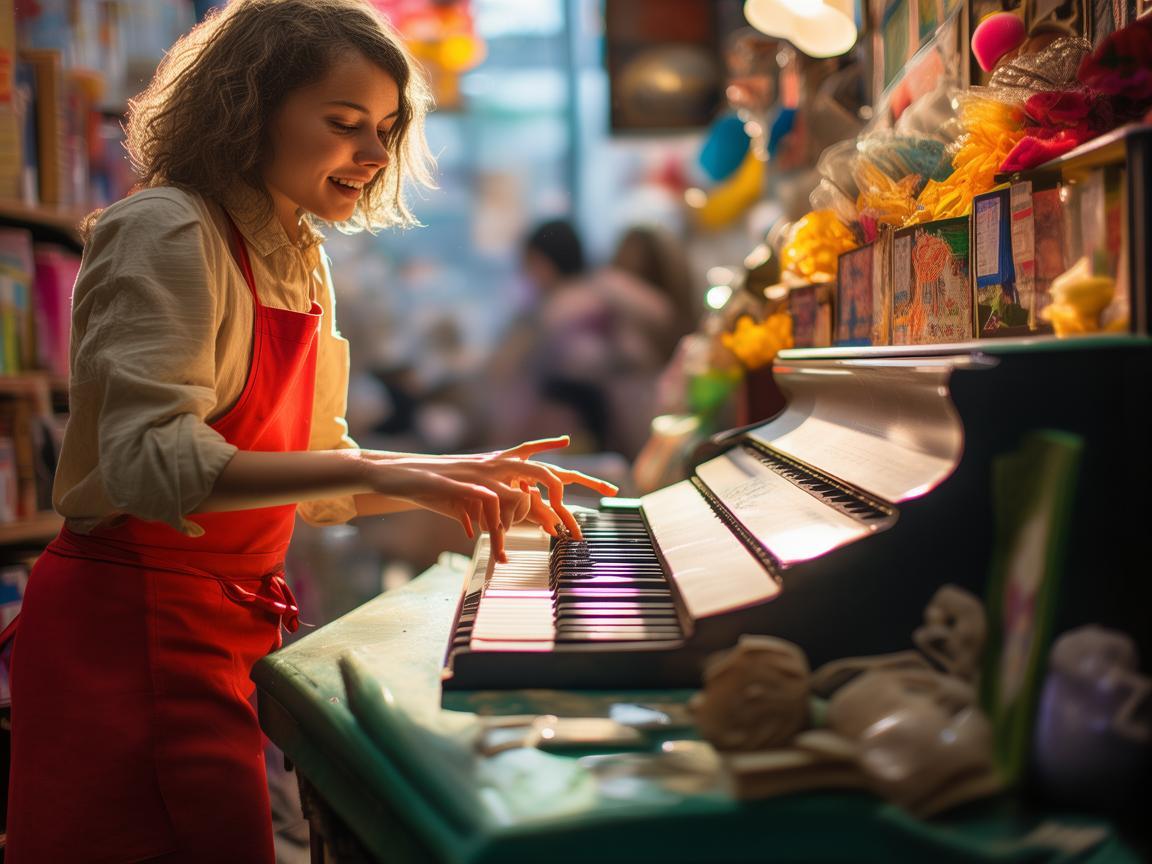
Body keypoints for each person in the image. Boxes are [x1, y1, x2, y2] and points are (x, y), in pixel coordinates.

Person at [0, 2, 615, 862]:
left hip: (225, 621)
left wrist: (451, 471)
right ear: (248, 107)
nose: (373, 154)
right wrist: (406, 477)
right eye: (344, 124)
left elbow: (318, 470)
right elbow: (148, 462)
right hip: (132, 631)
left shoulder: (298, 250)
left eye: (387, 131)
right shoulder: (169, 227)